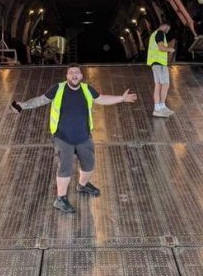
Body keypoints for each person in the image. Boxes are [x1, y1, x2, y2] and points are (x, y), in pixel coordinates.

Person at [11, 63, 137, 214]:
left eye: (77, 72)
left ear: (81, 76)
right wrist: (22, 105)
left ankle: (82, 185)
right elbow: (40, 100)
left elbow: (101, 99)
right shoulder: (58, 89)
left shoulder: (86, 89)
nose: (74, 75)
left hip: (84, 136)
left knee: (89, 164)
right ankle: (60, 199)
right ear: (67, 76)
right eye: (71, 73)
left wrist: (121, 98)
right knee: (65, 167)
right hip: (63, 137)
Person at [147, 23, 175, 118]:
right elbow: (161, 48)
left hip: (154, 63)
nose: (168, 31)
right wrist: (170, 49)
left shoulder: (153, 34)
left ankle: (157, 108)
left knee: (158, 85)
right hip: (159, 63)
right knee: (165, 84)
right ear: (165, 26)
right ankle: (161, 107)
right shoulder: (160, 33)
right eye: (168, 29)